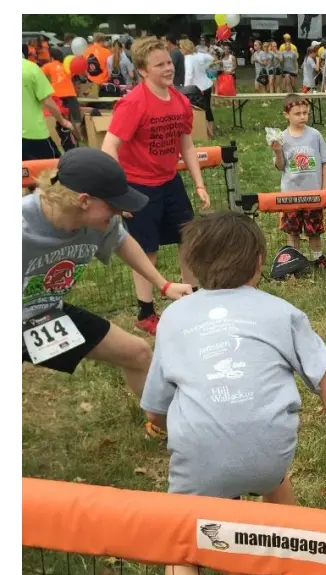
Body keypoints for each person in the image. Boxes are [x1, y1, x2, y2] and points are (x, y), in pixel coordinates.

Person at [141, 211, 326, 575]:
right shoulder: (284, 312)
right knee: (275, 481)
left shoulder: (173, 317)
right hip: (270, 453)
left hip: (197, 454)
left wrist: (177, 429)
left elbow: (155, 411)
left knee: (181, 538)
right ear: (261, 261)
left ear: (190, 264)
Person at [23, 148, 191, 397]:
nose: (122, 213)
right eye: (113, 206)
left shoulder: (100, 223)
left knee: (139, 353)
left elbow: (123, 242)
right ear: (83, 200)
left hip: (44, 313)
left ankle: (160, 424)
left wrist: (163, 284)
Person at [101, 36, 211, 336]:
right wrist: (118, 193)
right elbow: (109, 146)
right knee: (146, 249)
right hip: (138, 186)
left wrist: (199, 183)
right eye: (159, 64)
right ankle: (146, 312)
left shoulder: (179, 101)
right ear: (142, 71)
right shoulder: (133, 103)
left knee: (189, 239)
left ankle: (192, 298)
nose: (167, 68)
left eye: (168, 62)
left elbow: (185, 144)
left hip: (169, 181)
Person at [273, 96, 326, 270]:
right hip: (290, 195)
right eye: (297, 113)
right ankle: (292, 262)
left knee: (314, 230)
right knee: (293, 231)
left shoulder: (315, 135)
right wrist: (277, 152)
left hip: (313, 194)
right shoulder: (282, 138)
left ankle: (318, 260)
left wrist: (324, 188)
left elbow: (325, 162)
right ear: (286, 115)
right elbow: (280, 166)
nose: (302, 116)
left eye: (305, 113)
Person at [22, 52, 73, 161]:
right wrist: (62, 121)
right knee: (53, 170)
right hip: (33, 134)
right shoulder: (31, 68)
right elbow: (47, 101)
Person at [41, 47, 82, 143]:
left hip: (57, 96)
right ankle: (78, 139)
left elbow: (38, 74)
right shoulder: (67, 65)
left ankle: (65, 139)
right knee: (75, 118)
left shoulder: (48, 66)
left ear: (51, 57)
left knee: (61, 120)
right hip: (71, 94)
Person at [181, 39, 216, 138]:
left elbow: (189, 74)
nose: (180, 50)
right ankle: (211, 130)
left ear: (185, 48)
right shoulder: (199, 55)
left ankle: (207, 133)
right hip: (207, 84)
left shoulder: (188, 58)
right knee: (207, 108)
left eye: (181, 48)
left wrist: (185, 89)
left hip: (197, 87)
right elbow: (211, 58)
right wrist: (204, 67)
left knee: (200, 110)